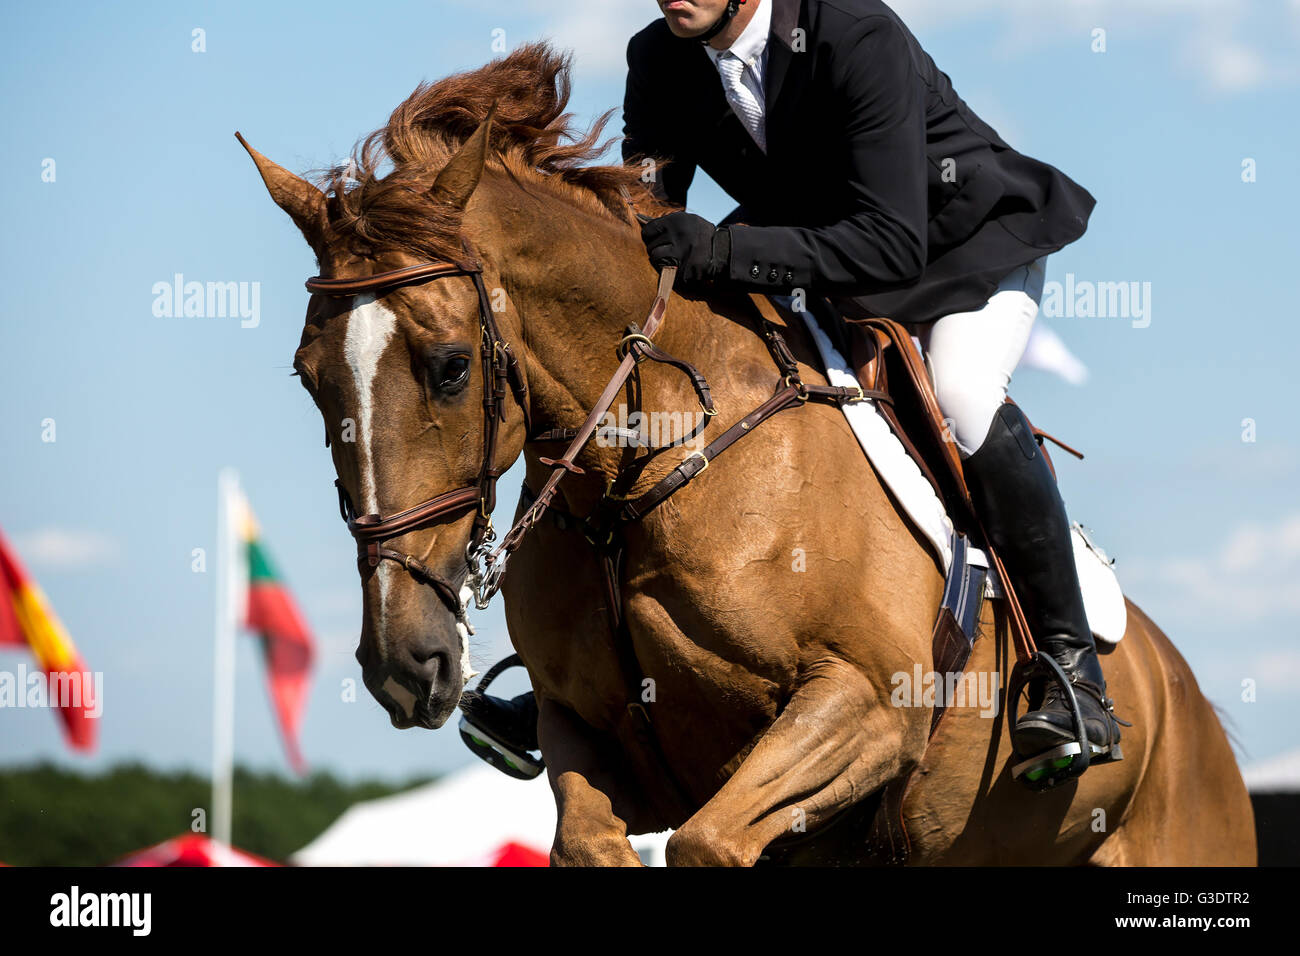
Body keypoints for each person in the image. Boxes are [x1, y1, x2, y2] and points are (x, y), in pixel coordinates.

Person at [621, 0, 1123, 777]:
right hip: (821, 254)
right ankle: (599, 666)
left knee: (960, 397)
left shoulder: (853, 31)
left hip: (956, 248)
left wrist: (723, 247)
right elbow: (644, 216)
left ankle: (1071, 672)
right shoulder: (659, 58)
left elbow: (890, 241)